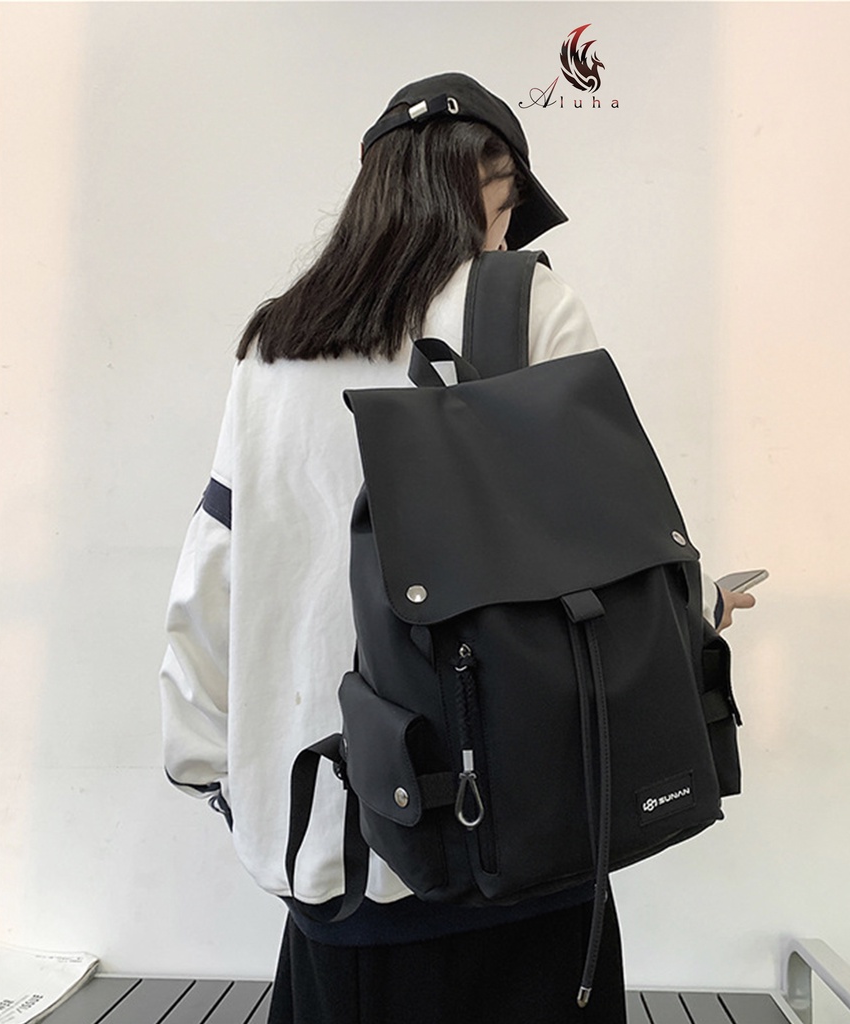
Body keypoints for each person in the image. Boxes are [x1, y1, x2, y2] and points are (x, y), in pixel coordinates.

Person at [160, 72, 752, 1024]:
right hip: (513, 849)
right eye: (509, 204)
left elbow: (216, 569)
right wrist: (705, 604)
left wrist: (212, 766)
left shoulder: (276, 342)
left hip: (331, 862)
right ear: (485, 183)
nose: (506, 234)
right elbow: (613, 543)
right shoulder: (527, 304)